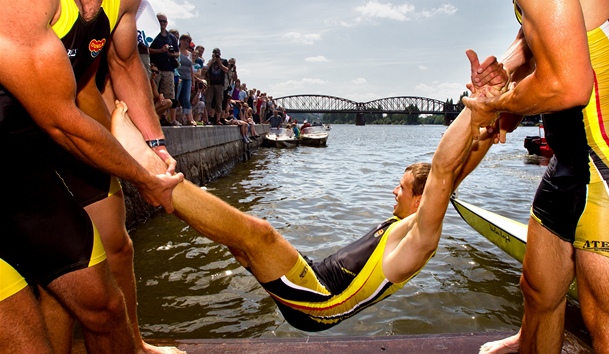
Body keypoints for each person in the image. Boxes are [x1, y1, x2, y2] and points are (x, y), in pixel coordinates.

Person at [109, 64, 501, 331]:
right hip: (314, 276)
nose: (393, 190)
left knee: (257, 234)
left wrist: (474, 109)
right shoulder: (407, 222)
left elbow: (445, 171)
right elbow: (454, 173)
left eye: (401, 187)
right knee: (238, 246)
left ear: (421, 200)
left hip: (320, 302)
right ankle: (164, 187)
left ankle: (153, 176)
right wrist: (485, 128)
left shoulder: (420, 237)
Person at [0, 0, 185, 353]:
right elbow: (62, 122)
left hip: (24, 164)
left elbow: (127, 63)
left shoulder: (124, 4)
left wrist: (155, 146)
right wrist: (143, 178)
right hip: (48, 132)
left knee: (106, 308)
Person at [464, 0, 609, 353]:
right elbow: (534, 33)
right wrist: (506, 69)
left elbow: (567, 85)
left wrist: (496, 106)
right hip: (568, 161)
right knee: (539, 291)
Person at [149, 13, 180, 126]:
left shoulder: (171, 37)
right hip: (155, 68)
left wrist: (170, 54)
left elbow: (177, 53)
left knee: (168, 97)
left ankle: (163, 117)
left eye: (164, 21)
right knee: (153, 95)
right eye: (160, 21)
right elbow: (147, 49)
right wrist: (160, 50)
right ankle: (151, 117)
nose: (162, 23)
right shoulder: (152, 34)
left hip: (168, 69)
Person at [203, 48, 229, 125]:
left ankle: (218, 119)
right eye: (214, 53)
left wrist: (218, 61)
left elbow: (225, 70)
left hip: (220, 84)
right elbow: (206, 68)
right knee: (208, 101)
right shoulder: (210, 61)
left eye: (217, 53)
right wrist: (212, 60)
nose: (216, 54)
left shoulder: (224, 61)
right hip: (211, 84)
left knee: (219, 102)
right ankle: (206, 118)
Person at [177, 33, 196, 126]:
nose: (186, 42)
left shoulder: (189, 54)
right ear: (180, 40)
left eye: (188, 41)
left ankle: (189, 119)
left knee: (186, 98)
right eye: (184, 40)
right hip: (179, 76)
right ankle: (171, 117)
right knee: (176, 97)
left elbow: (190, 68)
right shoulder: (177, 50)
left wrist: (192, 80)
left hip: (187, 78)